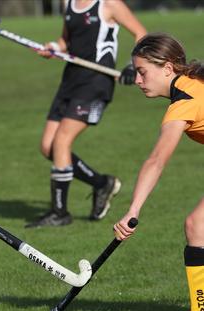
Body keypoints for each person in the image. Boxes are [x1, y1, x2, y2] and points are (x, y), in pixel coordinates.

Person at [113, 33, 204, 311]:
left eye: (142, 72)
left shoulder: (183, 104)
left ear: (168, 67)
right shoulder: (193, 80)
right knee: (198, 227)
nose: (138, 80)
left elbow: (156, 161)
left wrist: (133, 210)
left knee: (197, 226)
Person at [26, 0, 146, 228]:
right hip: (70, 81)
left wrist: (133, 66)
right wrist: (53, 47)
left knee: (62, 141)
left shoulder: (109, 4)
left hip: (96, 83)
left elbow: (141, 33)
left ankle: (59, 213)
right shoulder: (68, 3)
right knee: (48, 146)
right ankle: (102, 183)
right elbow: (66, 41)